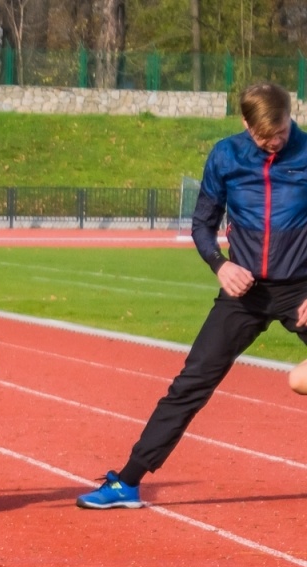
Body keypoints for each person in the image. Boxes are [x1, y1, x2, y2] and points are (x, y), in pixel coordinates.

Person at [80, 82, 307, 509]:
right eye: (264, 138)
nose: (274, 143)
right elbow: (202, 224)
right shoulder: (225, 156)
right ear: (245, 124)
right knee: (190, 384)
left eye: (279, 132)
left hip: (302, 289)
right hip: (245, 293)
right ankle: (127, 481)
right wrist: (220, 265)